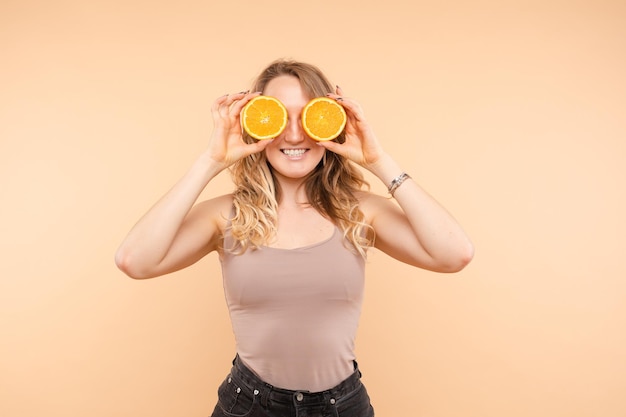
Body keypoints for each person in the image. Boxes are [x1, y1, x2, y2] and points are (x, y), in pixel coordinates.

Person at [115, 59, 474, 417]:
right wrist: (211, 160)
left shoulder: (359, 212)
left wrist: (378, 160)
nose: (294, 134)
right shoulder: (227, 216)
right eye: (278, 117)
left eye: (309, 116)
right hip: (249, 406)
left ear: (331, 122)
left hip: (343, 408)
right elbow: (135, 260)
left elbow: (454, 253)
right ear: (255, 124)